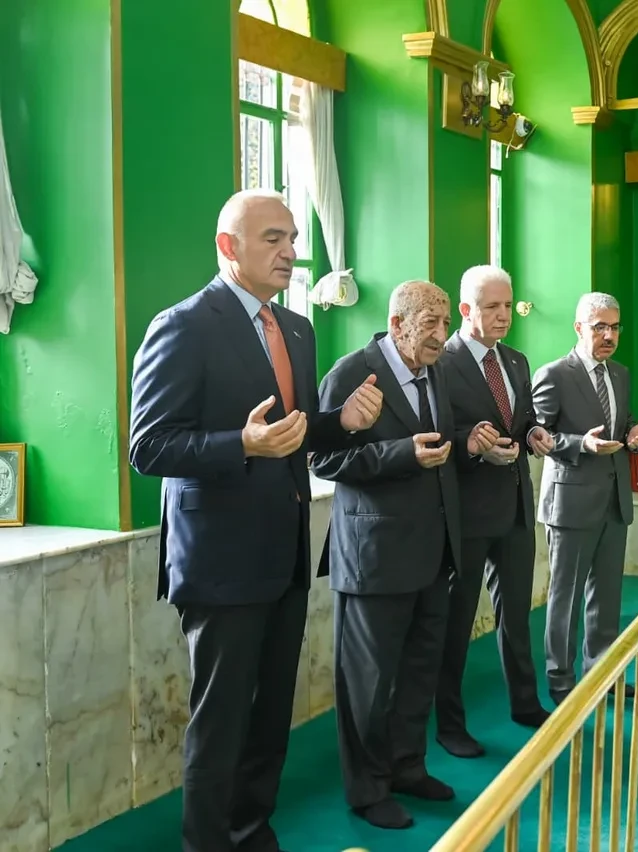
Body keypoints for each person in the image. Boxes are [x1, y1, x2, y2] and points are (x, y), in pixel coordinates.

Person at [128, 188, 383, 852]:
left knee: (271, 718)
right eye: (273, 239)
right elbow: (148, 446)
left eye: (293, 238)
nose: (291, 253)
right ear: (227, 246)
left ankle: (252, 833)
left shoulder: (295, 327)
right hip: (218, 560)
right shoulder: (183, 325)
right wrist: (238, 444)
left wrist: (338, 422)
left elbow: (292, 433)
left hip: (285, 552)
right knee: (221, 725)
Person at [311, 280, 494, 830]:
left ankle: (408, 767)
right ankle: (367, 791)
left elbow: (432, 446)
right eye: (431, 324)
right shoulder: (349, 373)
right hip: (375, 558)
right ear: (397, 324)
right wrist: (399, 454)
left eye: (445, 323)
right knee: (368, 684)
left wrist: (464, 445)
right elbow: (321, 459)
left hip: (434, 553)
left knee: (419, 671)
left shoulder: (433, 368)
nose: (443, 335)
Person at [434, 265, 555, 759]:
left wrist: (534, 435)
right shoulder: (441, 362)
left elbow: (521, 419)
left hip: (514, 510)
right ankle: (449, 725)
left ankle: (526, 705)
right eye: (491, 307)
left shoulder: (518, 361)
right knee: (455, 625)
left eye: (507, 305)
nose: (503, 315)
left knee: (516, 618)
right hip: (463, 515)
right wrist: (472, 447)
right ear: (466, 310)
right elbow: (436, 430)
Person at [533, 292, 638, 704]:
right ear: (579, 327)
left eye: (615, 327)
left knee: (607, 596)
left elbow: (623, 424)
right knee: (564, 597)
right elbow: (539, 437)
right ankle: (561, 682)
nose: (609, 335)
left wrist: (633, 437)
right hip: (570, 504)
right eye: (600, 326)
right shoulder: (554, 375)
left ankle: (603, 675)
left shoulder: (619, 373)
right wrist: (580, 444)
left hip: (614, 499)